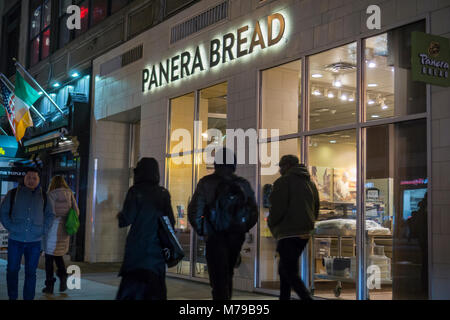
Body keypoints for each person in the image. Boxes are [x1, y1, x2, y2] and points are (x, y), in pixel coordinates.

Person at [188, 148, 258, 300]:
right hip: (235, 237)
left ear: (216, 163)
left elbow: (195, 211)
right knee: (228, 274)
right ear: (233, 164)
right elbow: (253, 212)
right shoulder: (243, 184)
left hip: (214, 236)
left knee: (218, 278)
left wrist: (203, 230)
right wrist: (242, 229)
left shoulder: (206, 183)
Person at [116, 157, 175, 300]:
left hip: (136, 251)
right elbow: (170, 222)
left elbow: (126, 220)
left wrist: (119, 215)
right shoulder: (163, 193)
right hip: (156, 253)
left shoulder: (135, 192)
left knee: (132, 292)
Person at [268, 155, 319, 300]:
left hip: (288, 232)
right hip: (304, 233)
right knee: (285, 270)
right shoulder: (310, 183)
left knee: (289, 271)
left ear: (288, 165)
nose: (279, 169)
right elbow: (316, 208)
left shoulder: (283, 182)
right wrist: (309, 224)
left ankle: (306, 298)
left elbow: (277, 208)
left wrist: (272, 224)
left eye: (281, 166)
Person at [0, 167, 55, 300]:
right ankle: (12, 297)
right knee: (12, 270)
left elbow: (50, 215)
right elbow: (3, 212)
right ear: (24, 178)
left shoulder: (44, 196)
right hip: (15, 240)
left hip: (34, 242)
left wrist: (43, 230)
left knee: (31, 272)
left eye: (34, 178)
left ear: (38, 180)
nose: (31, 180)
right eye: (28, 177)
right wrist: (11, 227)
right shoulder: (13, 193)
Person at [42, 175, 79, 294]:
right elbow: (76, 211)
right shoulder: (70, 193)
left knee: (49, 257)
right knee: (58, 255)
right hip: (64, 228)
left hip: (53, 228)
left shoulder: (51, 194)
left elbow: (51, 213)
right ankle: (63, 277)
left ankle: (49, 286)